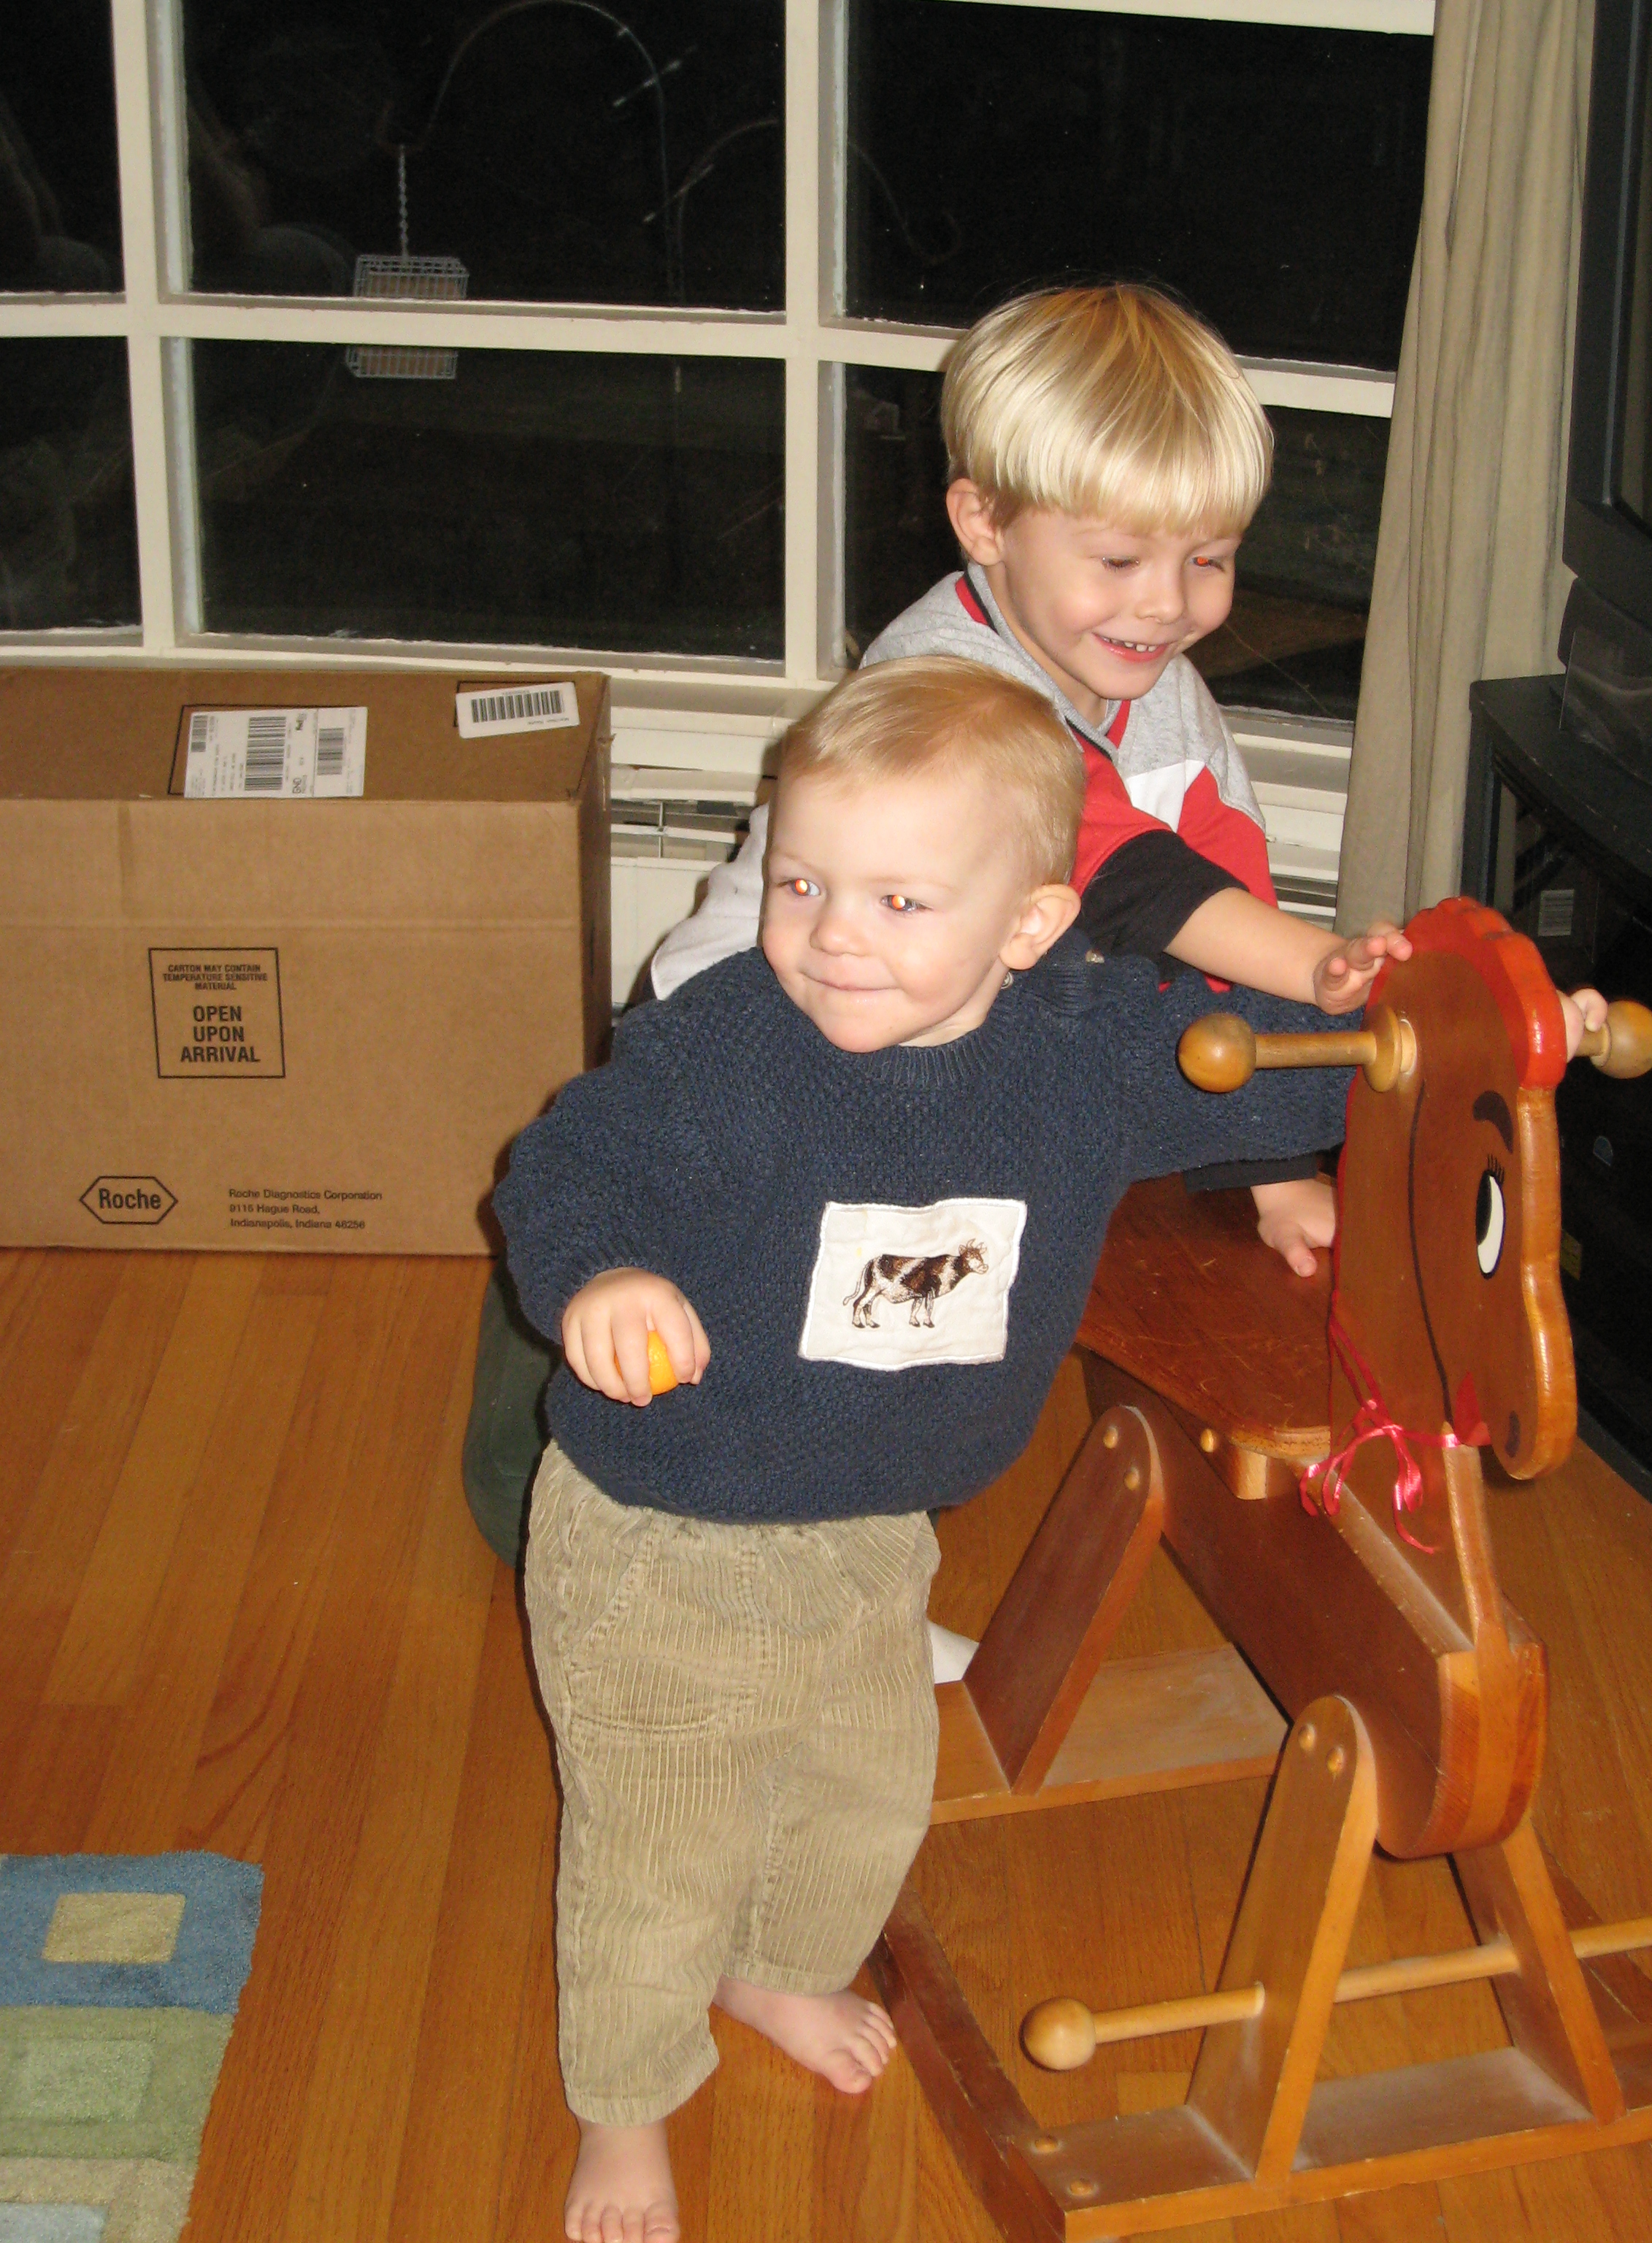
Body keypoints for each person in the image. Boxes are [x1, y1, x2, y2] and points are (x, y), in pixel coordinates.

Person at [494, 656, 1367, 2243]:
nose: (833, 932)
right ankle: (625, 2108)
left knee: (864, 1802)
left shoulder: (1078, 1047)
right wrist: (603, 1277)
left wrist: (1431, 1014)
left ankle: (772, 1970)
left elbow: (1260, 1042)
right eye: (802, 881)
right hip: (666, 1534)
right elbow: (570, 1162)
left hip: (876, 1531)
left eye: (900, 902)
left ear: (1029, 928)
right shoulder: (729, 1043)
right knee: (659, 1852)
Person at [650, 283, 1410, 1279]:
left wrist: (1270, 1168)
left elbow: (1228, 911)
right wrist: (1320, 967)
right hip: (764, 1029)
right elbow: (1127, 874)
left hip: (943, 1013)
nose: (1168, 604)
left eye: (1210, 558)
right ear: (985, 523)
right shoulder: (941, 678)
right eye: (1120, 559)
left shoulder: (1168, 694)